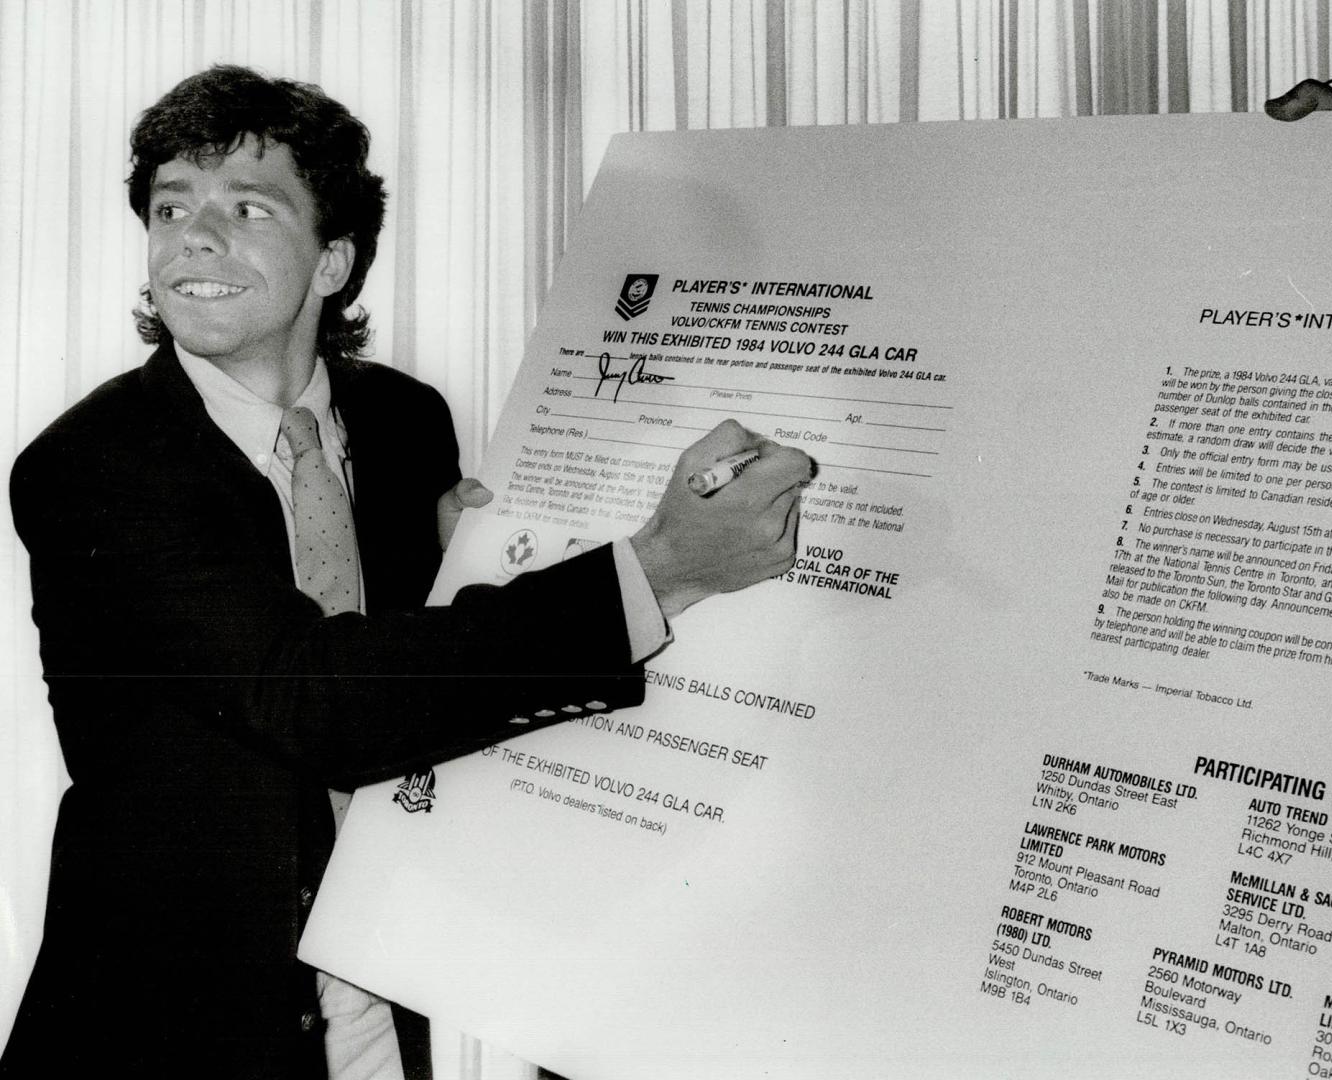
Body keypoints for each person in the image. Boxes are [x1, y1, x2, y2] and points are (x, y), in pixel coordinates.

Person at [2, 65, 810, 1080]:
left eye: (245, 206)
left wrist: (465, 570)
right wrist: (653, 574)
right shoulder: (93, 467)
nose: (191, 238)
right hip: (175, 1033)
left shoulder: (403, 420)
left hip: (388, 1006)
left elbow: (419, 674)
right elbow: (314, 696)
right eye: (171, 208)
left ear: (333, 257)